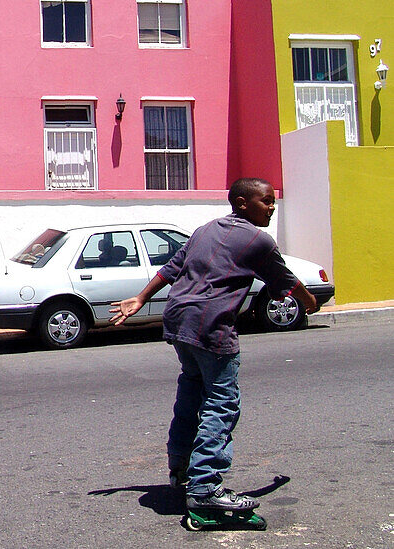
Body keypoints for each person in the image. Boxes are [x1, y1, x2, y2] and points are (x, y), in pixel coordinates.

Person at [109, 178, 318, 514]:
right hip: (211, 325)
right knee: (222, 403)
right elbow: (285, 278)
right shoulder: (258, 240)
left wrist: (141, 297)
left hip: (179, 321)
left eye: (273, 201)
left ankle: (180, 468)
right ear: (242, 202)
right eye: (266, 201)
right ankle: (205, 486)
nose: (272, 207)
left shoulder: (205, 230)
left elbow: (172, 268)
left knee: (192, 391)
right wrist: (309, 301)